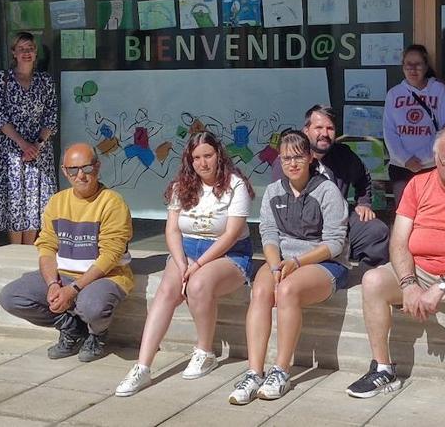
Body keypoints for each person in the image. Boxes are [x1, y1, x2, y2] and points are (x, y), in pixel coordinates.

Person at [346, 125, 445, 419]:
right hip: (419, 270)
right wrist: (408, 284)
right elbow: (399, 241)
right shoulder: (418, 185)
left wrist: (441, 287)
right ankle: (382, 368)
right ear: (435, 157)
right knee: (373, 279)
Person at [116, 132, 253, 396]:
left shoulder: (236, 185)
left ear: (219, 155)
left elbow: (231, 234)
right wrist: (181, 263)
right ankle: (142, 366)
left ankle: (205, 351)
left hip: (228, 252)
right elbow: (172, 231)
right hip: (187, 248)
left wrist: (198, 264)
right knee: (167, 290)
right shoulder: (182, 186)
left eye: (208, 156)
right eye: (197, 158)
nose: (203, 163)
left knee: (198, 285)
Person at [229, 130, 348, 405]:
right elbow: (268, 234)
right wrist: (274, 267)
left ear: (308, 157)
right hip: (282, 260)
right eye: (286, 158)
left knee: (288, 290)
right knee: (260, 290)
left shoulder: (327, 190)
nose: (292, 163)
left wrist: (296, 263)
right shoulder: (273, 191)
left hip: (322, 262)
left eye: (297, 157)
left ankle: (281, 370)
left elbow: (335, 243)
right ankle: (254, 371)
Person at [0, 143, 133, 363]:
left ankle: (96, 334)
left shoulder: (112, 202)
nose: (80, 175)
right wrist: (53, 284)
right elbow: (47, 246)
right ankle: (72, 328)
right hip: (65, 274)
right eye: (73, 170)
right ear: (64, 171)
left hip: (105, 276)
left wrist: (73, 290)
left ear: (97, 167)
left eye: (86, 168)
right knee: (12, 296)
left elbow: (110, 255)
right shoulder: (57, 201)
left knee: (92, 307)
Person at [0, 31, 58, 245]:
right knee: (15, 204)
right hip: (12, 153)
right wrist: (23, 145)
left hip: (40, 151)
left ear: (36, 52)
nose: (26, 53)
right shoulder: (2, 80)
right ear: (14, 53)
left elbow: (51, 115)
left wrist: (36, 144)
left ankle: (29, 253)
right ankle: (14, 253)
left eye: (30, 48)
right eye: (22, 49)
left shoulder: (45, 81)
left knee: (35, 206)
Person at [304, 105, 389, 266]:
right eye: (319, 128)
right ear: (306, 130)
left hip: (340, 219)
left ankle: (370, 278)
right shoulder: (294, 157)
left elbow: (363, 177)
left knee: (376, 231)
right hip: (306, 226)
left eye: (330, 128)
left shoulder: (343, 154)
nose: (324, 133)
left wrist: (363, 203)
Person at [383, 44, 445, 204]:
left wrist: (423, 158)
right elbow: (389, 131)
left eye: (418, 64)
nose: (413, 69)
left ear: (426, 66)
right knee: (404, 216)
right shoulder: (394, 94)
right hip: (401, 167)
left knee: (430, 214)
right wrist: (405, 159)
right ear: (403, 67)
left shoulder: (439, 90)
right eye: (409, 64)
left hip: (431, 166)